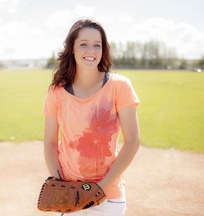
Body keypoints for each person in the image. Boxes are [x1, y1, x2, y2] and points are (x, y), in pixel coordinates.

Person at [42, 18, 140, 216]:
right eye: (83, 44)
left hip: (109, 196)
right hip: (71, 194)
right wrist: (60, 183)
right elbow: (50, 143)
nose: (91, 50)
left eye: (97, 45)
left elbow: (132, 141)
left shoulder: (120, 86)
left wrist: (101, 188)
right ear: (72, 48)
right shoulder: (56, 92)